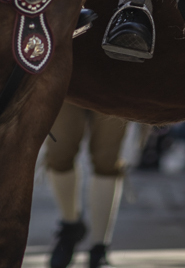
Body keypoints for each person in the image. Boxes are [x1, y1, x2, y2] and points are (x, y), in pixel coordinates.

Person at [44, 104, 144, 268]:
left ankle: (99, 248)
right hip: (69, 85)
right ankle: (70, 225)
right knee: (58, 155)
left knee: (107, 161)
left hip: (114, 86)